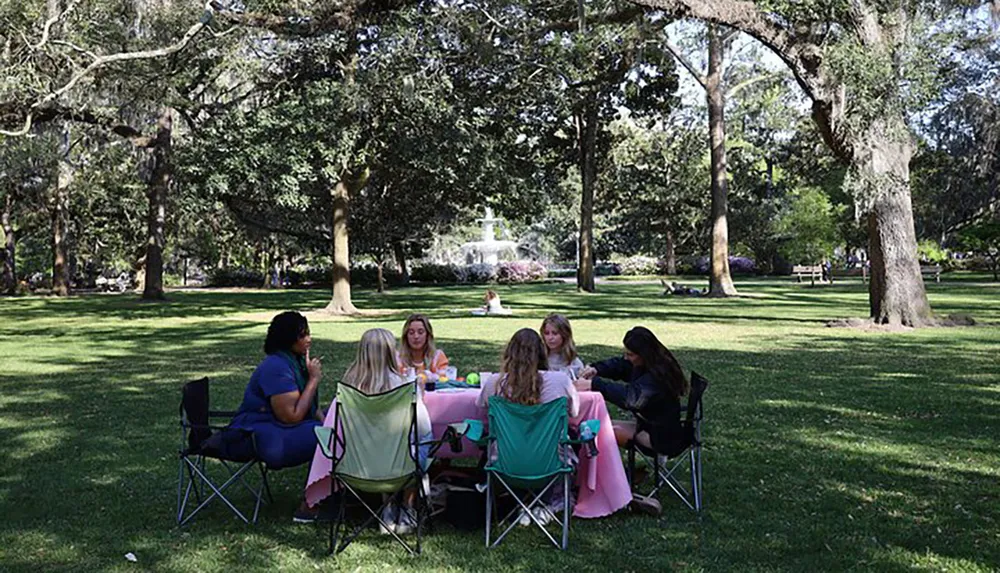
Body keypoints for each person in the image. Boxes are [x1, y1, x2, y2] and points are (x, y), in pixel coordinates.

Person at [574, 326, 689, 515]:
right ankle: (611, 481)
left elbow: (631, 398)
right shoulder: (649, 364)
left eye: (631, 354)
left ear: (643, 354)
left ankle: (611, 486)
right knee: (600, 429)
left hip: (661, 436)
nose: (627, 358)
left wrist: (595, 384)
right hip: (660, 426)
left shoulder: (655, 377)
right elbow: (620, 365)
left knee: (600, 434)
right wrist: (597, 369)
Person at [478, 328, 579, 525]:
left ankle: (524, 502)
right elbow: (574, 412)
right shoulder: (560, 381)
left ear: (509, 353)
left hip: (504, 463)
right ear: (542, 353)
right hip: (552, 463)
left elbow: (481, 407)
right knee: (573, 436)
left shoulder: (494, 384)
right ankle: (548, 501)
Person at [345, 328, 433, 535]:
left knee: (383, 444)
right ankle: (407, 508)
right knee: (421, 438)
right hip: (398, 469)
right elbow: (424, 428)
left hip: (358, 465)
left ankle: (387, 508)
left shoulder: (348, 387)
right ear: (389, 353)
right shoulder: (402, 386)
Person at [229, 311, 324, 470]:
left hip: (277, 429)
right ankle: (326, 492)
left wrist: (326, 421)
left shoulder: (294, 362)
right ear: (288, 339)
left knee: (343, 421)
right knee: (331, 436)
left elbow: (312, 408)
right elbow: (291, 417)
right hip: (260, 436)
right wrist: (313, 380)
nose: (309, 340)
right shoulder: (276, 367)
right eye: (302, 336)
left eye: (308, 334)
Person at [540, 313, 585, 379]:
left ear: (564, 334)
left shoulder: (574, 362)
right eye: (547, 333)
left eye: (555, 333)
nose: (550, 337)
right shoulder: (540, 358)